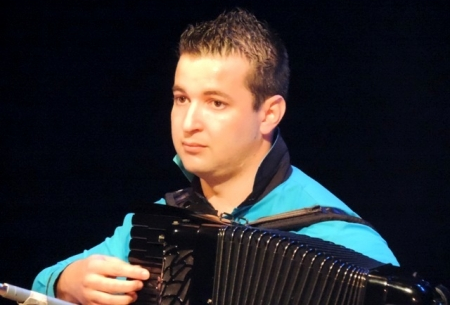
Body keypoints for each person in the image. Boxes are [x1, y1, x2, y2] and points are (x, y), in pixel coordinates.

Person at [32, 8, 399, 305]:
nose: (189, 123)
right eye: (181, 99)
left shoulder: (347, 243)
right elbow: (40, 286)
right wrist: (66, 283)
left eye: (216, 103)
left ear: (269, 114)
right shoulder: (156, 225)